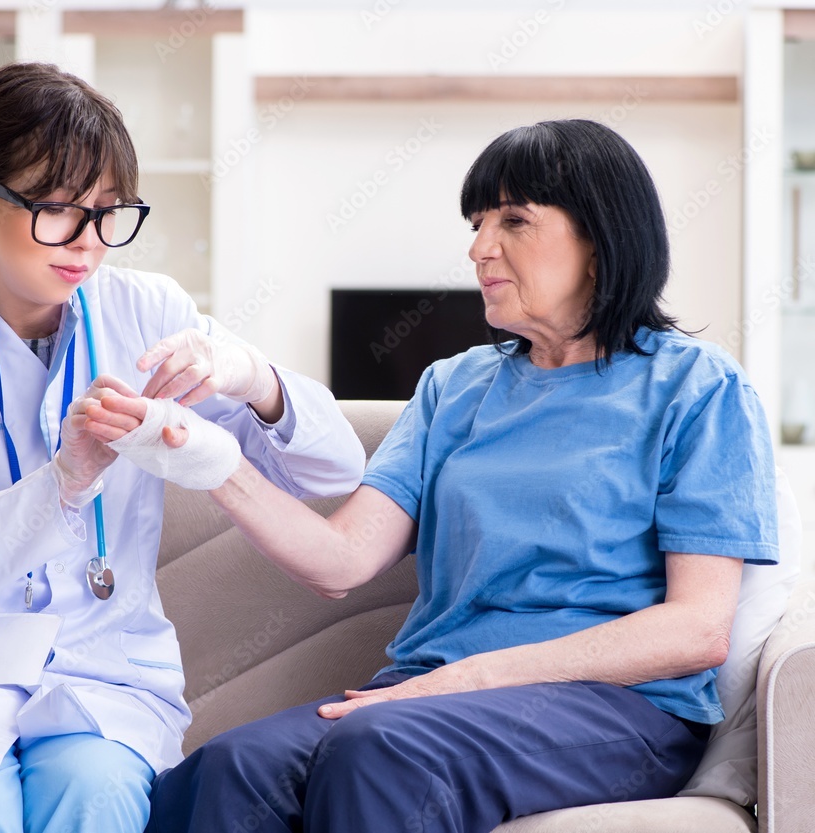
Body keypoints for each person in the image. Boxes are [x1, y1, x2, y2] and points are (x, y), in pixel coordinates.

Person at [80, 119, 780, 833]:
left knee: (378, 748)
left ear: (599, 239)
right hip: (431, 700)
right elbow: (342, 559)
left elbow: (696, 629)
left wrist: (464, 678)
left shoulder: (698, 388)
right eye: (478, 223)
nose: (479, 248)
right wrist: (210, 459)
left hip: (612, 706)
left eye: (512, 220)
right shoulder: (455, 386)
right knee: (229, 769)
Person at [0, 62, 365, 833]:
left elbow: (336, 470)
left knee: (96, 798)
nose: (87, 242)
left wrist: (253, 377)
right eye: (57, 211)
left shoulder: (150, 312)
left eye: (108, 213)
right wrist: (63, 483)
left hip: (95, 663)